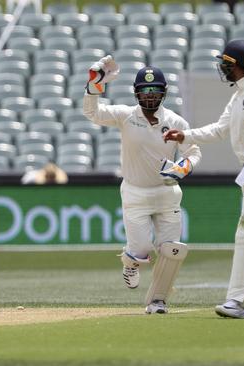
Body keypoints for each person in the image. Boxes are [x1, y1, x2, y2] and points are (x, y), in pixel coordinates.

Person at [163, 39, 244, 319]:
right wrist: (186, 136)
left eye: (226, 63)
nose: (222, 68)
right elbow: (220, 129)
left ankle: (237, 301)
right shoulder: (239, 95)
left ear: (238, 65)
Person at [83, 56, 202, 314]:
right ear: (136, 93)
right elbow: (93, 113)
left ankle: (158, 301)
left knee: (171, 250)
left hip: (167, 193)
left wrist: (183, 167)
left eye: (155, 91)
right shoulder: (126, 116)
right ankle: (130, 262)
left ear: (164, 93)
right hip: (135, 193)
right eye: (145, 91)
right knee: (141, 249)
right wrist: (94, 86)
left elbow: (193, 151)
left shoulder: (176, 121)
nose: (150, 96)